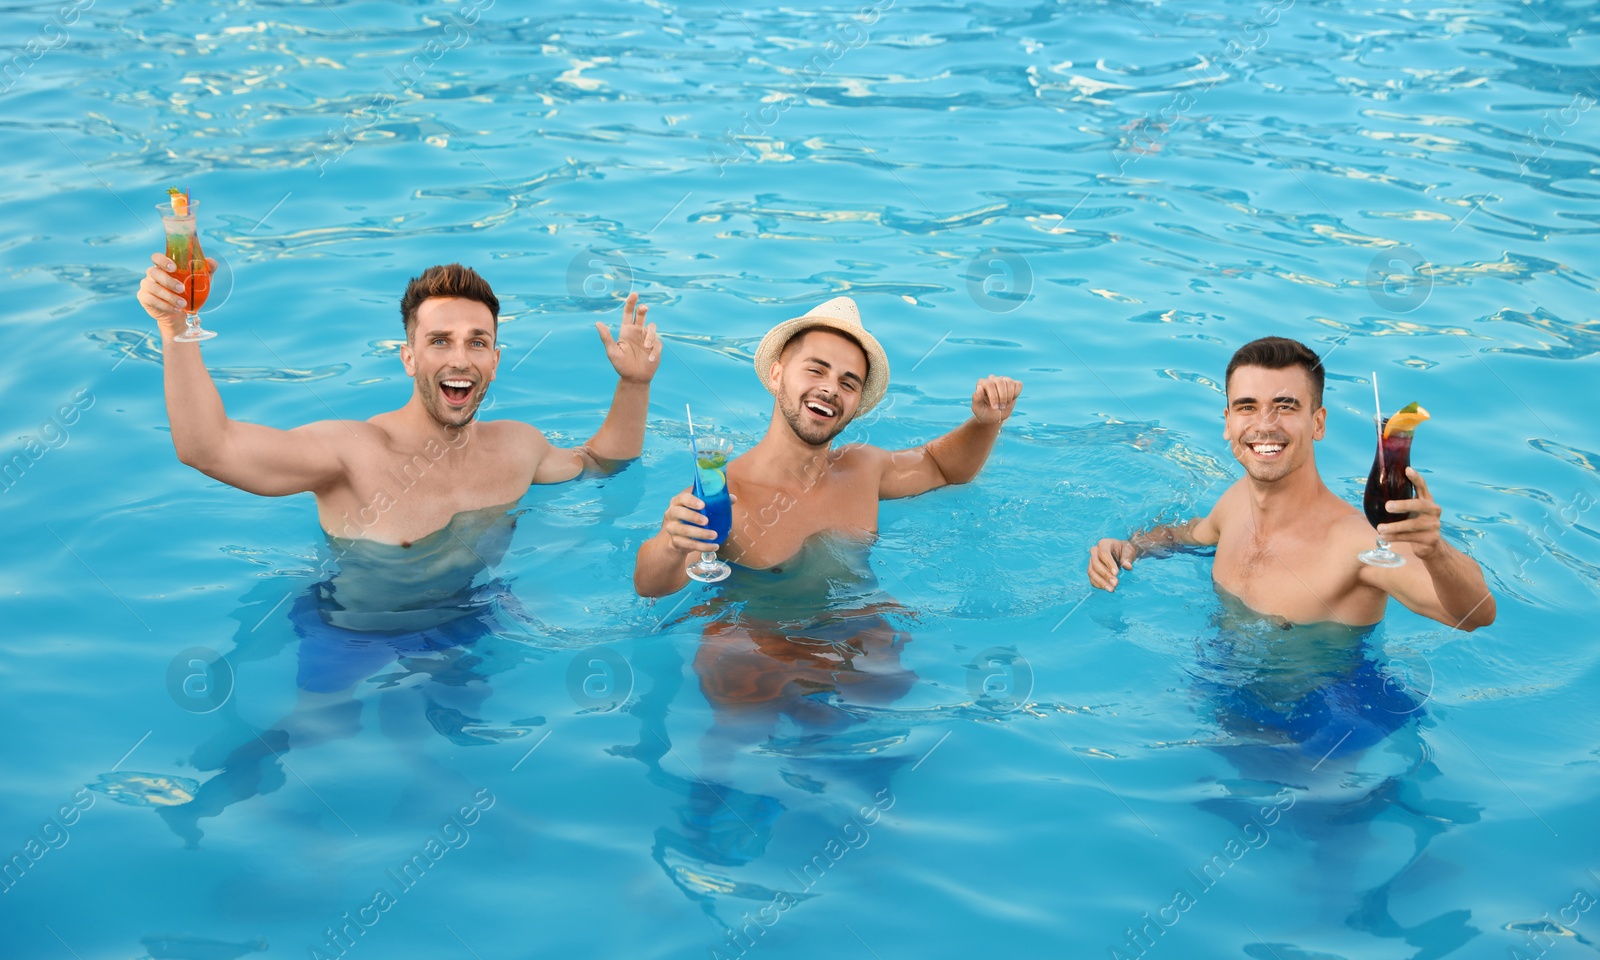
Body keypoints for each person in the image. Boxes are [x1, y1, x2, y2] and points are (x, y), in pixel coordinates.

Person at [135, 256, 660, 544]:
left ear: (495, 361)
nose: (460, 359)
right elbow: (207, 447)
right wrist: (175, 330)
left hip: (473, 617)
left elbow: (600, 465)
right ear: (408, 358)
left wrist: (634, 385)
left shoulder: (518, 448)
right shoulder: (350, 454)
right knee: (320, 729)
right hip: (355, 630)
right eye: (439, 341)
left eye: (477, 342)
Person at [1086, 336, 1495, 631]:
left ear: (1317, 423)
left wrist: (1436, 551)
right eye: (1248, 407)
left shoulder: (1358, 546)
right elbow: (1186, 534)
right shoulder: (1234, 504)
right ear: (1227, 422)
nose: (1264, 425)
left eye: (1285, 407)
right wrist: (1131, 547)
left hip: (1315, 729)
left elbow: (1474, 615)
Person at [633, 296, 1022, 596]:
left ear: (855, 404)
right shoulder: (724, 497)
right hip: (757, 645)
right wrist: (671, 543)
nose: (830, 389)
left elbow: (942, 468)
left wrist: (985, 423)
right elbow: (649, 585)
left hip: (854, 632)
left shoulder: (864, 468)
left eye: (848, 382)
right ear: (776, 374)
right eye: (816, 369)